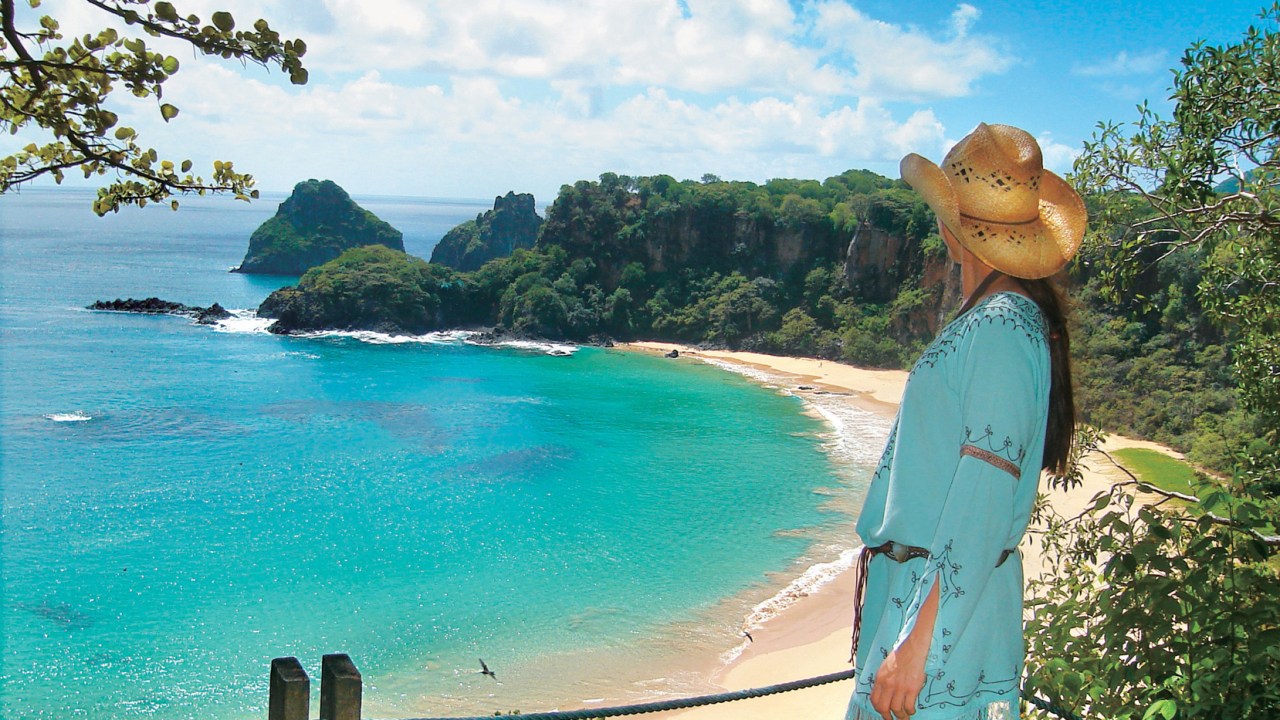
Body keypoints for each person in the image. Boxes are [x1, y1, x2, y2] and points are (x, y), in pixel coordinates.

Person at [845, 123, 1086, 720]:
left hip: (936, 616)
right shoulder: (1003, 318)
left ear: (953, 228)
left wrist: (917, 645)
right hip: (931, 598)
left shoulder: (1001, 327)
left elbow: (983, 496)